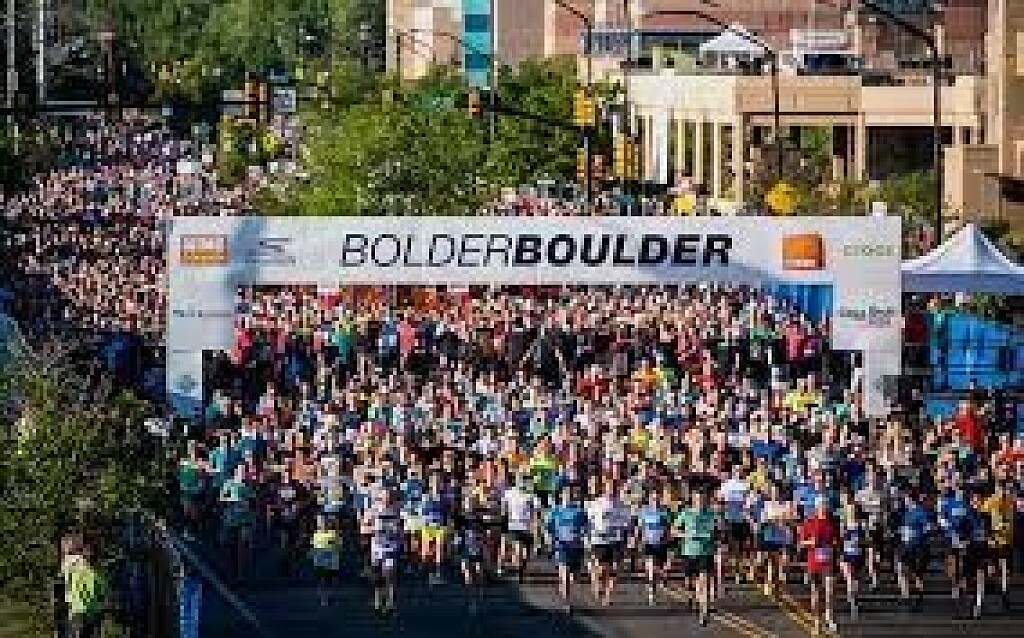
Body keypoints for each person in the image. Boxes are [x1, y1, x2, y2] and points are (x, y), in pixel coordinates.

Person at [674, 490, 717, 626]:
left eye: (702, 500)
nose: (700, 502)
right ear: (693, 500)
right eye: (697, 499)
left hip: (706, 552)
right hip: (689, 552)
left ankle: (703, 612)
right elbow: (673, 530)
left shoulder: (711, 514)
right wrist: (685, 535)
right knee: (691, 583)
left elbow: (719, 529)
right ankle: (694, 598)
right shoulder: (685, 513)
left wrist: (717, 533)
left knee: (704, 582)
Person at [798, 496, 840, 634]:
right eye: (821, 506)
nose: (823, 508)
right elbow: (801, 542)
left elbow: (836, 541)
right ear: (816, 507)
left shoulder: (832, 523)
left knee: (829, 591)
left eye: (825, 505)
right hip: (814, 563)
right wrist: (811, 542)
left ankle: (829, 617)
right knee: (816, 593)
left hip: (828, 562)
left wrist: (834, 546)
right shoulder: (809, 522)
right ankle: (816, 621)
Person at [546, 486, 589, 613]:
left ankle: (565, 588)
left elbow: (586, 527)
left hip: (576, 546)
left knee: (574, 576)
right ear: (562, 496)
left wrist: (584, 538)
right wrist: (549, 541)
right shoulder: (555, 511)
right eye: (566, 494)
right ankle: (567, 601)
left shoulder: (579, 511)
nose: (569, 496)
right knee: (565, 573)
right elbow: (549, 528)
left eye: (571, 494)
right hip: (561, 545)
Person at [586, 477, 628, 606]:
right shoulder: (596, 503)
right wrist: (587, 538)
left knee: (615, 569)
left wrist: (627, 536)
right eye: (609, 487)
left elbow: (627, 523)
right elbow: (588, 522)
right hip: (599, 540)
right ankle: (597, 581)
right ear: (604, 488)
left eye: (614, 488)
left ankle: (608, 596)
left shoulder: (621, 505)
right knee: (602, 570)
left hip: (616, 540)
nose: (612, 490)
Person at [366, 489, 404, 616]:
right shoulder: (373, 510)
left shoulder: (397, 510)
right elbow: (363, 528)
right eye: (384, 497)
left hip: (391, 547)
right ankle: (377, 599)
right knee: (377, 577)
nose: (386, 499)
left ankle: (390, 602)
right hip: (377, 546)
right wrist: (375, 529)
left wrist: (397, 532)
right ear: (380, 498)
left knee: (389, 575)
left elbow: (402, 529)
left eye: (389, 497)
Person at [61, 536, 107, 638]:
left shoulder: (94, 569)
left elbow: (101, 590)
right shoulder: (76, 565)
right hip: (83, 610)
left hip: (87, 610)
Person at [981, 481, 1015, 609]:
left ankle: (1005, 592)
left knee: (1005, 567)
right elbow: (984, 520)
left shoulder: (1010, 502)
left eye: (1004, 490)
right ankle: (993, 587)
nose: (1003, 492)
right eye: (1000, 489)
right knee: (992, 569)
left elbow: (1011, 520)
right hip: (993, 540)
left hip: (1005, 540)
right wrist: (989, 535)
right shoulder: (989, 502)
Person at [636, 489, 673, 605]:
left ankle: (655, 584)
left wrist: (669, 540)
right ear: (649, 499)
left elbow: (669, 528)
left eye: (657, 499)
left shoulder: (665, 512)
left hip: (661, 544)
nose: (655, 501)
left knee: (658, 569)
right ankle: (651, 591)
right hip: (648, 543)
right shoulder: (644, 511)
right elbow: (640, 526)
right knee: (651, 567)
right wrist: (637, 539)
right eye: (653, 499)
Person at [501, 474, 539, 582]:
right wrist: (504, 521)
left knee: (526, 554)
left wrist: (536, 529)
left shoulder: (531, 495)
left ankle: (522, 569)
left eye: (523, 480)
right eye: (519, 479)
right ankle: (518, 570)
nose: (521, 482)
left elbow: (536, 513)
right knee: (518, 550)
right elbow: (504, 508)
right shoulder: (509, 493)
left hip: (527, 527)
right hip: (514, 526)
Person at [310, 514, 342, 607]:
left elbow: (339, 547)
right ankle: (323, 598)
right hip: (320, 562)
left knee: (329, 581)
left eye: (324, 522)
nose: (322, 524)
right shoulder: (315, 535)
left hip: (331, 562)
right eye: (320, 523)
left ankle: (328, 596)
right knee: (322, 581)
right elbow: (313, 548)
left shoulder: (334, 534)